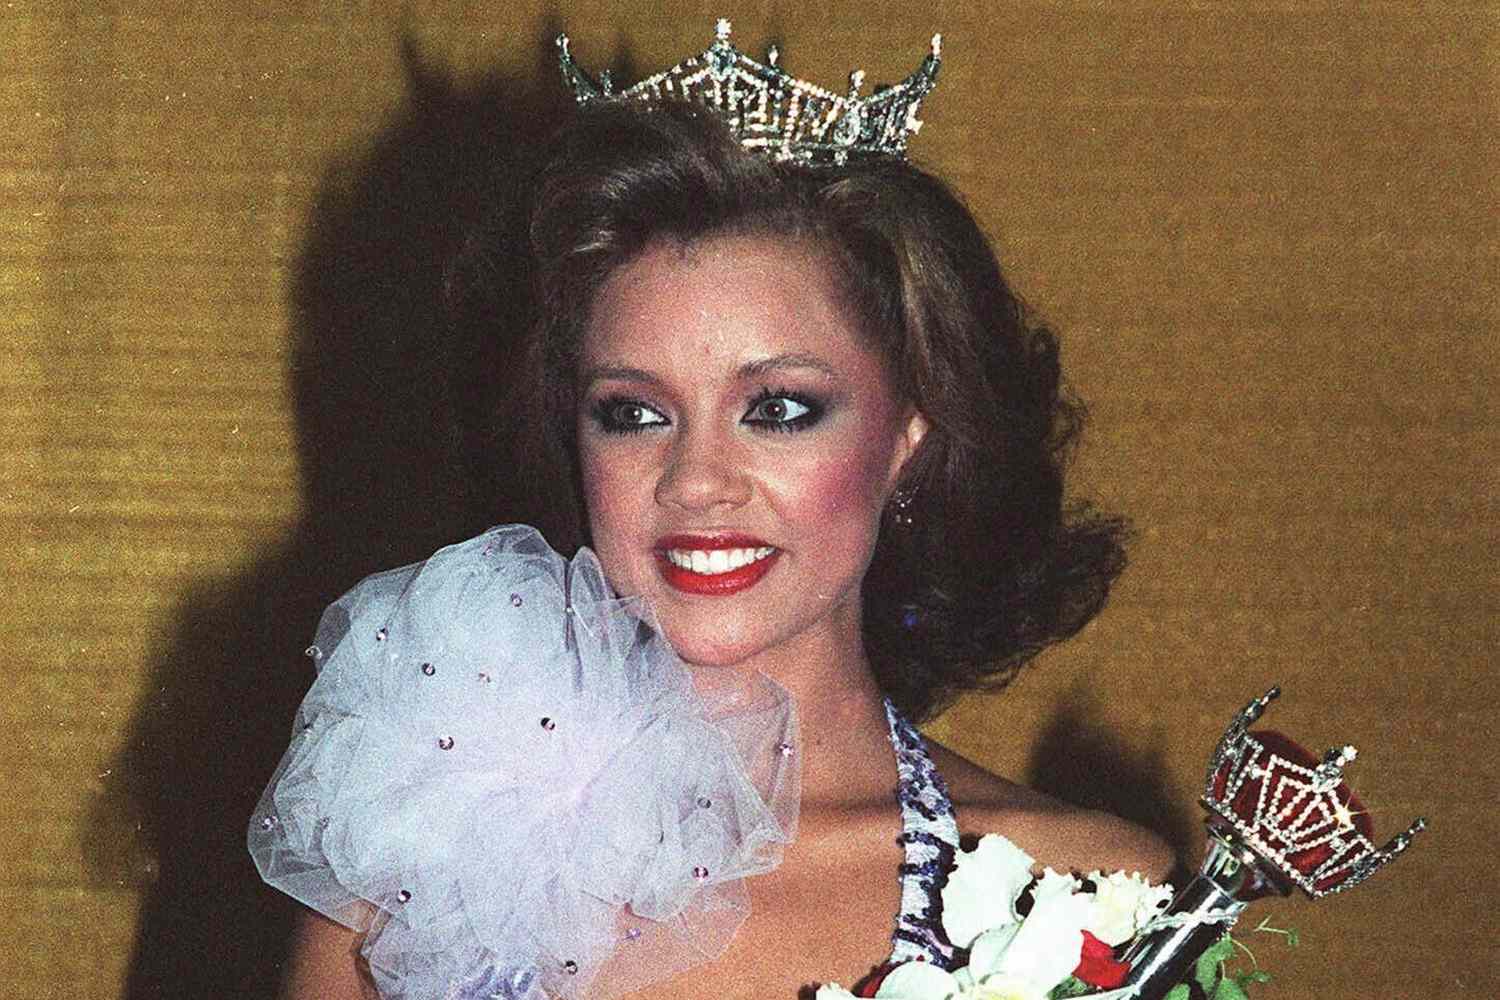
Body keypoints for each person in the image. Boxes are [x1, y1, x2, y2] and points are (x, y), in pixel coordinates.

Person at [261, 23, 1174, 1000]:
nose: (696, 481)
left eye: (777, 409)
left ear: (907, 436)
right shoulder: (418, 869)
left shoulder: (1080, 899)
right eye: (634, 413)